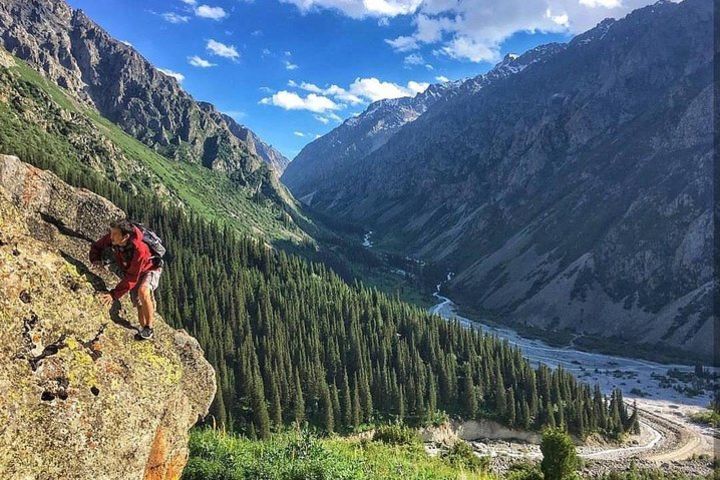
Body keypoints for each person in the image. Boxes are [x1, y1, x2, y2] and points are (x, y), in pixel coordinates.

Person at [89, 219, 162, 339]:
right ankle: (144, 332)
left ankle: (149, 328)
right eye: (111, 233)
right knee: (138, 303)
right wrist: (95, 258)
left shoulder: (140, 249)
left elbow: (132, 277)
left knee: (143, 291)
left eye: (115, 234)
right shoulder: (114, 238)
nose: (111, 237)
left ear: (126, 236)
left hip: (150, 269)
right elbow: (97, 246)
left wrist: (113, 295)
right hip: (131, 270)